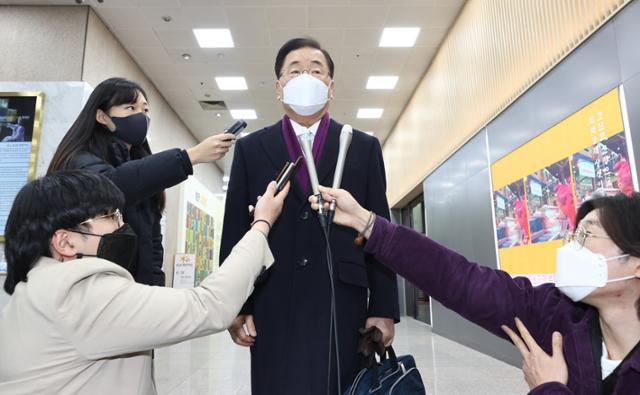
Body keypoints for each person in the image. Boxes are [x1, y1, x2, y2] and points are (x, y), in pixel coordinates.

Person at [310, 186, 640, 394]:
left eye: (587, 237)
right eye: (574, 236)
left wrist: (549, 388)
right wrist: (370, 225)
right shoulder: (558, 314)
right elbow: (461, 280)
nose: (572, 250)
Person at [0, 170, 290, 394]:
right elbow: (208, 306)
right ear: (65, 241)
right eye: (109, 216)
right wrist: (261, 225)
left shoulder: (37, 285)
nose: (121, 225)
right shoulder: (76, 292)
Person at [220, 37, 399, 394]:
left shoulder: (362, 145)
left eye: (316, 71)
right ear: (278, 87)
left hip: (342, 300)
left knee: (340, 383)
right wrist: (236, 304)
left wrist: (383, 305)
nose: (306, 77)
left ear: (331, 87)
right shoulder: (251, 149)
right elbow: (235, 230)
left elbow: (379, 225)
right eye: (295, 70)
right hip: (273, 297)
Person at [47, 77, 235, 286]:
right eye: (130, 107)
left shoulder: (140, 166)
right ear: (102, 116)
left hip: (135, 293)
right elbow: (112, 187)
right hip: (91, 287)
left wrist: (155, 292)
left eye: (145, 110)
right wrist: (189, 157)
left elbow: (153, 246)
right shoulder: (79, 160)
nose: (141, 116)